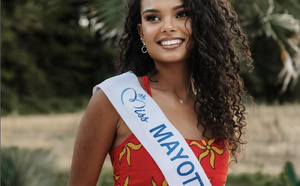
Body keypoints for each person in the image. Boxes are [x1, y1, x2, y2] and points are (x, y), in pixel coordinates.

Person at [68, 0, 252, 185]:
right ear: (141, 32)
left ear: (200, 23)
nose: (167, 27)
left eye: (181, 14)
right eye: (153, 18)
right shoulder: (115, 98)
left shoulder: (214, 112)